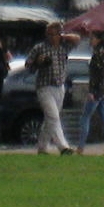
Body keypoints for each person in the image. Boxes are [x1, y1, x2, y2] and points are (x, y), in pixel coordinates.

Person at [27, 21, 73, 154]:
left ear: (59, 34)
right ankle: (63, 147)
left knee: (50, 119)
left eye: (55, 34)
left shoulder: (64, 47)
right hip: (44, 87)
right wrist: (38, 62)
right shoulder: (39, 48)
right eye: (49, 34)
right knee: (53, 116)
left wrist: (64, 36)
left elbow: (77, 39)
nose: (52, 37)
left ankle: (42, 147)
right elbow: (28, 66)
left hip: (59, 87)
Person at [78, 35, 104, 154]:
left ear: (98, 39)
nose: (90, 40)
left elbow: (97, 75)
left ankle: (80, 147)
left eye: (92, 38)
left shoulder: (98, 54)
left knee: (85, 117)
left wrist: (92, 91)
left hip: (97, 90)